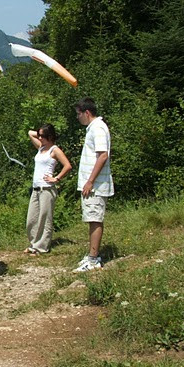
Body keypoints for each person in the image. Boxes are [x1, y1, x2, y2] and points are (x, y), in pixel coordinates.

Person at [73, 97, 114, 272]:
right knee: (91, 218)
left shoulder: (97, 128)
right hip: (92, 184)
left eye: (78, 114)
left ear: (86, 112)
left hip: (95, 185)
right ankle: (92, 254)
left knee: (95, 219)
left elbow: (103, 155)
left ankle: (94, 258)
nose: (77, 117)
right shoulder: (94, 128)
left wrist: (90, 181)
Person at [25, 124, 72, 255]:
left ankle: (42, 247)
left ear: (50, 137)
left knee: (45, 219)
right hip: (36, 188)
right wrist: (40, 133)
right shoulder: (41, 148)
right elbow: (29, 133)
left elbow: (67, 166)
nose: (39, 137)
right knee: (32, 219)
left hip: (47, 189)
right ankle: (34, 244)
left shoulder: (54, 150)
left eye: (43, 136)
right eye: (39, 135)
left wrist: (56, 178)